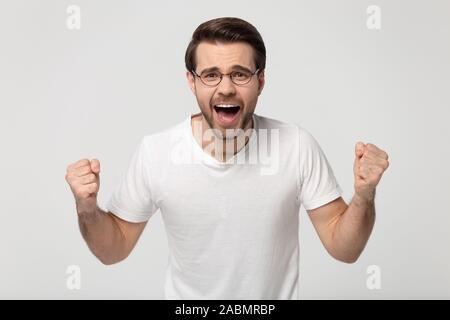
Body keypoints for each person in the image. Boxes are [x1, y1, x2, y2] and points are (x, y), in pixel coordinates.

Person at [65, 17, 389, 299]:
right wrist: (87, 209)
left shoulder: (296, 145)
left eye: (240, 74)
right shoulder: (157, 152)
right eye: (211, 74)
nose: (226, 88)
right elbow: (113, 249)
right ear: (191, 81)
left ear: (260, 80)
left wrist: (364, 196)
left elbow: (344, 249)